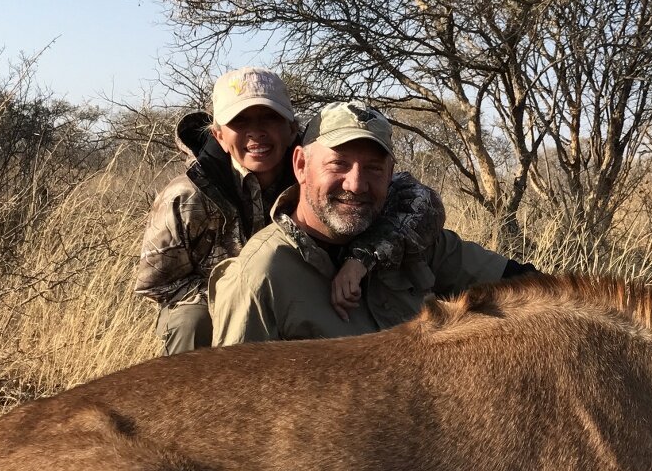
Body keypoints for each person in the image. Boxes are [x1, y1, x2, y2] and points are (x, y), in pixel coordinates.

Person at [133, 69, 444, 354]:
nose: (256, 134)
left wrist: (360, 257)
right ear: (218, 135)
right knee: (191, 323)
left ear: (291, 128)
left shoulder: (316, 168)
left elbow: (418, 200)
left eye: (268, 119)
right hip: (226, 302)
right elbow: (156, 285)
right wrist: (242, 290)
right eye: (240, 122)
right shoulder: (184, 196)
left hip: (306, 283)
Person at [210, 101, 535, 345]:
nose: (356, 184)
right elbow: (232, 413)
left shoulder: (415, 244)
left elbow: (528, 287)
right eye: (338, 164)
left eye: (373, 168)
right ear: (300, 166)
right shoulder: (260, 274)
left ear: (391, 174)